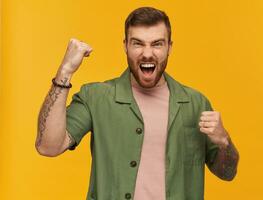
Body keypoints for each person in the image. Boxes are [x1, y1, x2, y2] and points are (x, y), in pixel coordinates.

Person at [36, 6, 239, 200]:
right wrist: (65, 71)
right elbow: (48, 147)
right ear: (125, 45)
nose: (147, 53)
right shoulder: (95, 98)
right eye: (138, 43)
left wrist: (224, 140)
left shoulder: (196, 103)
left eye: (157, 43)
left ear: (170, 47)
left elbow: (227, 173)